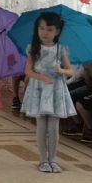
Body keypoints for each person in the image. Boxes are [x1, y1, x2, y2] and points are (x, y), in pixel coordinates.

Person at [20, 12, 76, 173]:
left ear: (57, 31)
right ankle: (43, 160)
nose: (44, 32)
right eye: (42, 28)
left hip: (56, 89)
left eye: (49, 29)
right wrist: (41, 77)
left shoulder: (60, 49)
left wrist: (61, 70)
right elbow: (28, 71)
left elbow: (71, 71)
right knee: (41, 126)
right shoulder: (33, 48)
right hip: (38, 89)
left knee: (53, 127)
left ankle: (53, 159)